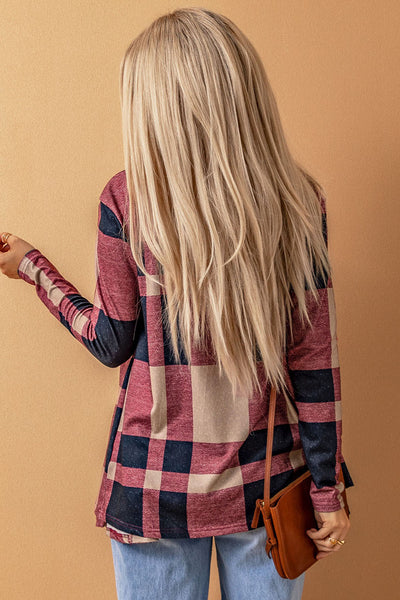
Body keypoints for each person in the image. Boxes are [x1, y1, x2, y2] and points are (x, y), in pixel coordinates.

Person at [1, 7, 355, 600]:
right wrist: (326, 489)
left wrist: (35, 269)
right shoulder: (296, 201)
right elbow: (314, 363)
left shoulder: (127, 201)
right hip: (266, 482)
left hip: (153, 487)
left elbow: (110, 342)